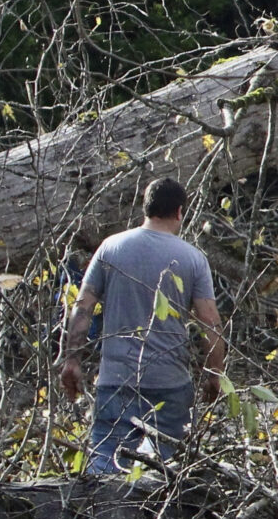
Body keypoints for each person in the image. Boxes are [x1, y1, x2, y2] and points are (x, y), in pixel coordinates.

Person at [57, 177, 226, 474]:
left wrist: (72, 359)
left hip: (116, 379)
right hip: (169, 382)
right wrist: (215, 374)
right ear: (179, 212)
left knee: (104, 466)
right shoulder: (192, 258)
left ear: (145, 208)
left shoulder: (111, 247)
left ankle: (103, 500)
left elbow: (82, 306)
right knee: (165, 473)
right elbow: (210, 322)